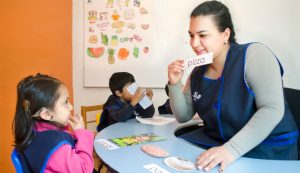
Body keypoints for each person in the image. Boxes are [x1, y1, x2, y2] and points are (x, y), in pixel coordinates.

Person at [167, 1, 298, 172]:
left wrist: (231, 149)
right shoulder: (197, 72)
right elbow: (183, 116)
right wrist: (174, 83)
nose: (194, 43)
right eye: (191, 35)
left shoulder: (254, 54)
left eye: (202, 35)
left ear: (225, 34)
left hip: (266, 148)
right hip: (221, 145)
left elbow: (272, 108)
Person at [12, 73, 95, 172]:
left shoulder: (33, 131)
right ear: (46, 114)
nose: (71, 107)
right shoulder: (57, 149)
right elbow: (85, 169)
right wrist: (81, 133)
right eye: (66, 102)